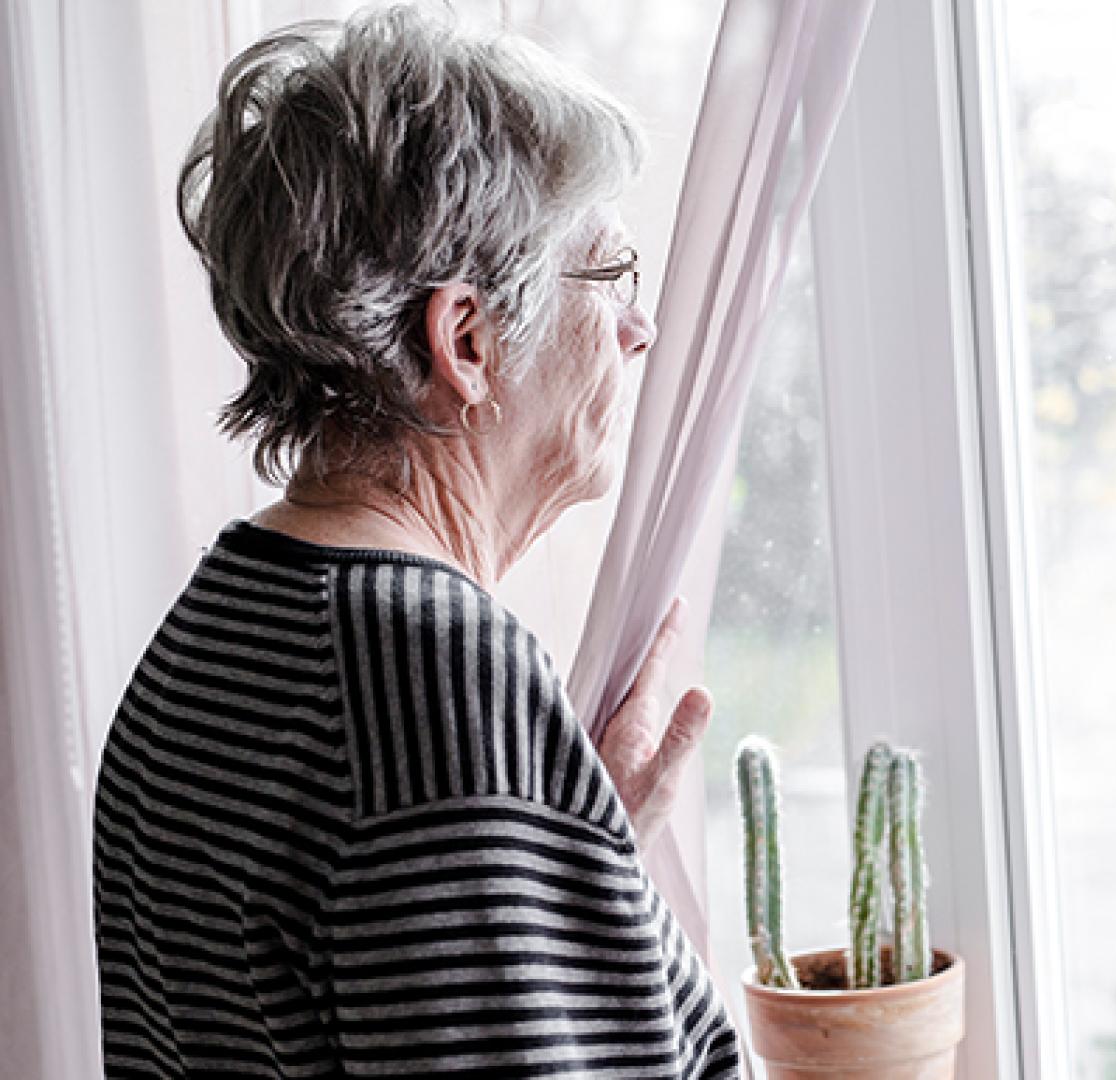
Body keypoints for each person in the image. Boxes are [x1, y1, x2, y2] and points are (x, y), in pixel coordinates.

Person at [90, 5, 740, 1076]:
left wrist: (567, 857)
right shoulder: (432, 679)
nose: (641, 327)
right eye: (610, 275)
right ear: (468, 339)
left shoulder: (209, 633)